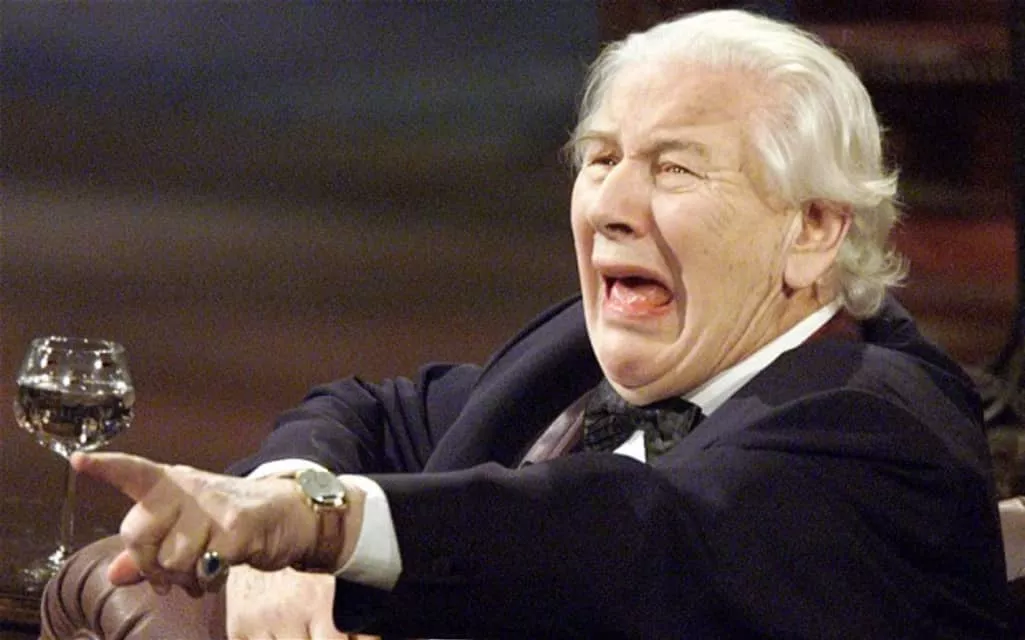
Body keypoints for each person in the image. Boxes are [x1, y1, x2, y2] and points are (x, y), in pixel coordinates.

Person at [71, 9, 1013, 638]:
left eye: (675, 169)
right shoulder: (577, 352)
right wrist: (285, 501)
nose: (610, 207)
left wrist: (314, 529)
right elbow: (373, 414)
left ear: (812, 229)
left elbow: (625, 531)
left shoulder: (880, 423)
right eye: (600, 159)